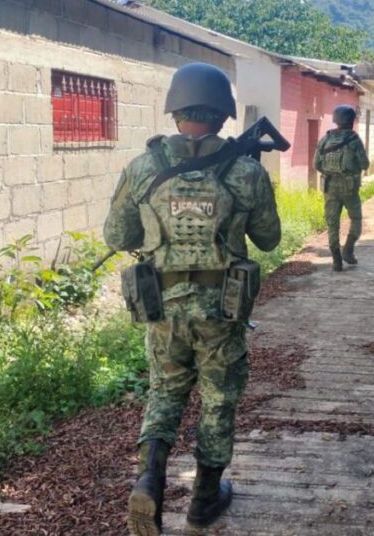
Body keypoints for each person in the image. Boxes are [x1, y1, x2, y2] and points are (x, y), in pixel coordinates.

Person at [104, 62, 281, 536]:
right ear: (224, 114)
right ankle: (204, 498)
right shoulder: (244, 171)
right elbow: (268, 239)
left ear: (175, 108)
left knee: (164, 392)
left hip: (162, 307)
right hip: (221, 309)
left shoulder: (143, 167)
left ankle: (150, 479)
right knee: (218, 400)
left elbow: (117, 234)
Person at [314, 105, 370, 271]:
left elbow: (316, 164)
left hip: (329, 186)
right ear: (351, 121)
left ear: (335, 119)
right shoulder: (354, 140)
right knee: (356, 218)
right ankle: (348, 249)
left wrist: (330, 172)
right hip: (349, 187)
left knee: (332, 223)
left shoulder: (325, 139)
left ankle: (336, 260)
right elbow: (364, 163)